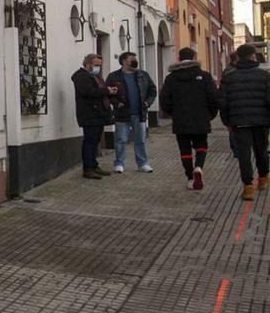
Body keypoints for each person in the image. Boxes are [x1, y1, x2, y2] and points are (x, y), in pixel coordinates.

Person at [160, 47, 220, 190]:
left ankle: (190, 177)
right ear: (194, 57)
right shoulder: (204, 76)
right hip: (201, 118)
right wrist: (210, 114)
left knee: (184, 149)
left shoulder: (171, 78)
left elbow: (164, 100)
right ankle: (198, 167)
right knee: (201, 146)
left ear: (179, 59)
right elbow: (213, 98)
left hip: (181, 120)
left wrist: (172, 113)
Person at [219, 43, 270, 201]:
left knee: (244, 155)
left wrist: (227, 122)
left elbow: (223, 102)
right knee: (261, 150)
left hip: (239, 121)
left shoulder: (228, 77)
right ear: (253, 56)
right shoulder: (264, 75)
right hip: (261, 121)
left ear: (238, 57)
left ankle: (248, 187)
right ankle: (263, 179)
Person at [105, 51, 158, 173]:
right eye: (131, 58)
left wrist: (147, 103)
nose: (134, 60)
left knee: (140, 140)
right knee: (121, 140)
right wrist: (117, 103)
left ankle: (143, 163)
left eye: (135, 58)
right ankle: (119, 163)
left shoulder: (143, 75)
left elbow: (152, 90)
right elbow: (108, 93)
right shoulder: (114, 76)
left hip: (139, 114)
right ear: (124, 61)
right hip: (122, 114)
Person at [72, 53, 118, 180]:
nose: (98, 67)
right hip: (89, 114)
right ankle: (88, 169)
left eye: (99, 65)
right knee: (90, 142)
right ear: (88, 64)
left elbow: (98, 91)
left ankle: (94, 165)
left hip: (98, 114)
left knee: (95, 141)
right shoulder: (80, 76)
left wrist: (110, 91)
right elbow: (88, 92)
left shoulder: (95, 76)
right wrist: (106, 91)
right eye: (96, 65)